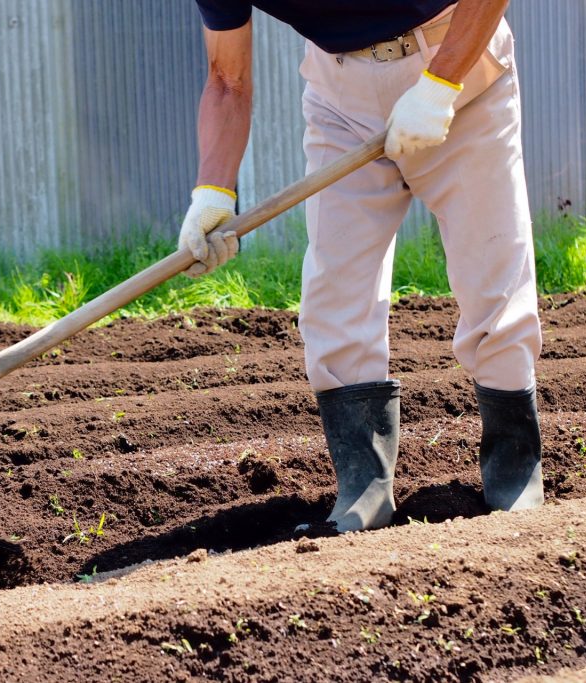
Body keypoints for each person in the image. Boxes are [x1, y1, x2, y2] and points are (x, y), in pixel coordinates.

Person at [178, 0, 544, 533]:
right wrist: (212, 190)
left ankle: (514, 471)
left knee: (494, 273)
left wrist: (441, 83)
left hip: (459, 63)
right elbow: (226, 78)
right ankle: (364, 487)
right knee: (335, 292)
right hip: (341, 93)